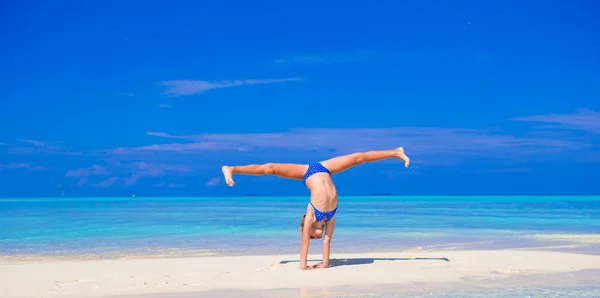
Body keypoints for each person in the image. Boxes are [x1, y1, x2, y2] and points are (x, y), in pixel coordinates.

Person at [221, 147, 410, 270]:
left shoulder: (311, 215)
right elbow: (327, 242)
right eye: (314, 238)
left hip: (309, 171)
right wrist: (324, 264)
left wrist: (302, 265)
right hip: (323, 169)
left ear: (306, 228)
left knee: (356, 157)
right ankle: (232, 169)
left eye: (311, 236)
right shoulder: (330, 217)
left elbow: (305, 244)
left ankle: (395, 152)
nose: (315, 238)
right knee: (356, 159)